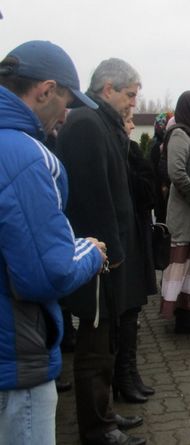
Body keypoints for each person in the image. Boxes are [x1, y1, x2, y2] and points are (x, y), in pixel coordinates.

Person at [0, 41, 106, 445]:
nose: (65, 113)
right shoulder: (25, 156)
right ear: (44, 91)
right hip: (16, 357)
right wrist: (90, 251)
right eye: (64, 100)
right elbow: (49, 271)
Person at [57, 58, 149, 444]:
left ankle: (106, 414)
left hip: (111, 255)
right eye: (129, 95)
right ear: (107, 89)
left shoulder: (101, 125)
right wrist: (107, 257)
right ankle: (97, 428)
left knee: (107, 342)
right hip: (99, 259)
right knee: (94, 347)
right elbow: (92, 201)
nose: (132, 104)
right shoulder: (85, 125)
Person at [160, 91, 190, 334]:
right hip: (184, 213)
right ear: (189, 108)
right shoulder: (179, 134)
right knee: (181, 265)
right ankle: (181, 316)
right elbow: (176, 172)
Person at [121, 111, 158, 401]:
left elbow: (149, 189)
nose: (133, 125)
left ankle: (130, 372)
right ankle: (123, 375)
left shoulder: (130, 150)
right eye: (128, 120)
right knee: (124, 313)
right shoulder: (119, 152)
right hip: (124, 237)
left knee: (133, 311)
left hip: (138, 228)